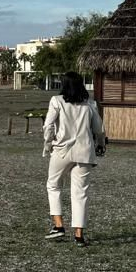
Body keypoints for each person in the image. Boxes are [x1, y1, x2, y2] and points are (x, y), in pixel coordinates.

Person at [43, 71, 106, 246]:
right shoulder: (90, 104)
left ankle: (58, 225)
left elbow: (48, 126)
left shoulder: (57, 101)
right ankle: (79, 235)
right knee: (80, 192)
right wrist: (101, 144)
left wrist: (48, 143)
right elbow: (99, 129)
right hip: (85, 152)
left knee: (53, 185)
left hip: (62, 150)